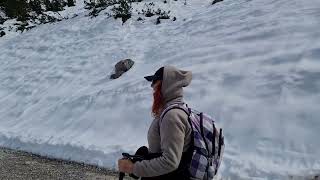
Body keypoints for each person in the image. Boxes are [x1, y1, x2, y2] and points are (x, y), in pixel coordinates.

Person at [118, 65, 193, 179]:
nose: (152, 87)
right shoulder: (171, 111)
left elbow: (170, 161)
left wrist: (133, 168)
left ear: (167, 85)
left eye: (155, 83)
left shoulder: (172, 117)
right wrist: (145, 157)